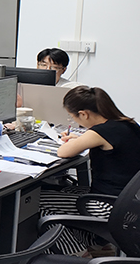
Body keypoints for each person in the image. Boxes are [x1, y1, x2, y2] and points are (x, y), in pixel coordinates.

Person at [40, 86, 140, 254]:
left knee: (40, 202)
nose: (75, 122)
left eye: (73, 117)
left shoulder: (100, 132)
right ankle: (100, 247)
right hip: (130, 204)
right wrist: (80, 139)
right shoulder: (127, 124)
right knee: (64, 190)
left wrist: (76, 141)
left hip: (108, 206)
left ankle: (78, 254)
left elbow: (63, 152)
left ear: (84, 114)